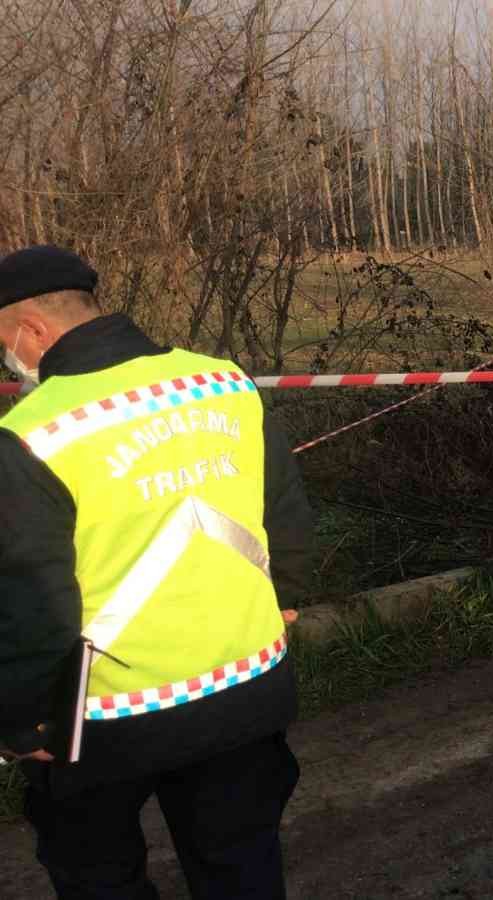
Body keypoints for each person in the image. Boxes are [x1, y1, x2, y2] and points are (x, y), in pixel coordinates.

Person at [0, 246, 315, 900]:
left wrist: (27, 722)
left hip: (107, 720)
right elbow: (282, 506)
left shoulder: (32, 432)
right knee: (243, 868)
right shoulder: (221, 381)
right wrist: (285, 598)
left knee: (99, 877)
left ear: (32, 330)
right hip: (246, 687)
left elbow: (29, 590)